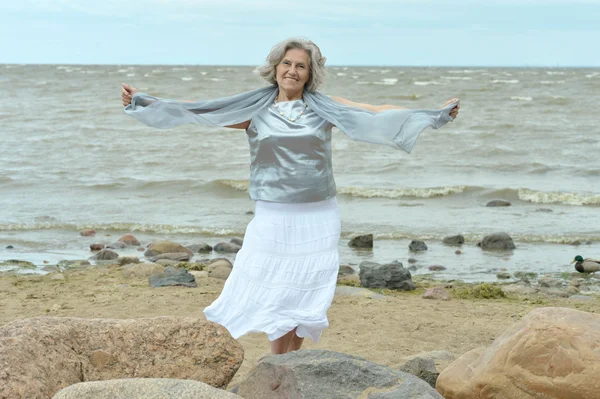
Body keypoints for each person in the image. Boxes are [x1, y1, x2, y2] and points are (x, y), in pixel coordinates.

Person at [121, 37, 460, 355]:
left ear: (310, 75)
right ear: (276, 67)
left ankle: (288, 363)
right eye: (287, 63)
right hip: (273, 213)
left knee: (304, 290)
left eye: (301, 66)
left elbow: (375, 111)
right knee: (274, 287)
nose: (292, 71)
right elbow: (200, 110)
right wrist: (144, 102)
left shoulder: (326, 109)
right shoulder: (254, 108)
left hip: (318, 213)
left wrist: (433, 116)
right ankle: (275, 360)